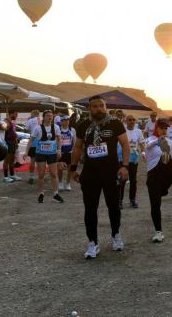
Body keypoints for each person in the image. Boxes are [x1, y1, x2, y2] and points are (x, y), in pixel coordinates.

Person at [69, 95, 130, 259]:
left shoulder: (115, 123)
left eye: (101, 106)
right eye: (95, 106)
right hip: (90, 173)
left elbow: (125, 144)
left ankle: (116, 235)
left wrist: (125, 166)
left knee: (114, 206)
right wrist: (73, 168)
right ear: (90, 108)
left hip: (111, 172)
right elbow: (77, 147)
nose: (99, 109)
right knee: (90, 209)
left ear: (106, 106)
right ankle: (92, 243)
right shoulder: (83, 125)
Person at [145, 119, 172, 243]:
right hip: (153, 176)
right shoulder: (150, 139)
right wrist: (158, 141)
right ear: (156, 128)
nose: (164, 130)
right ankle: (158, 232)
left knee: (169, 159)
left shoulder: (169, 141)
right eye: (161, 128)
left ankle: (164, 189)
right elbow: (147, 147)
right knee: (155, 205)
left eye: (166, 128)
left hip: (166, 176)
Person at [26, 110, 64, 204]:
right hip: (40, 154)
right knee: (41, 174)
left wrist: (59, 150)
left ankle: (55, 194)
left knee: (53, 174)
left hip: (52, 154)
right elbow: (31, 140)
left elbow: (59, 139)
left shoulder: (56, 127)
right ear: (44, 117)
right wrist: (26, 152)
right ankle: (41, 193)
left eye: (51, 116)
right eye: (48, 116)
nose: (50, 117)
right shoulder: (37, 128)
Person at [118, 115, 145, 209]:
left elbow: (141, 143)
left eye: (133, 120)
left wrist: (143, 152)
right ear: (126, 121)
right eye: (130, 120)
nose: (132, 121)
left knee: (133, 180)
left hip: (134, 159)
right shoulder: (122, 130)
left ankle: (132, 200)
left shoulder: (138, 131)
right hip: (122, 159)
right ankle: (119, 200)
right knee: (122, 180)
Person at [57, 115, 76, 192]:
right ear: (61, 122)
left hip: (69, 152)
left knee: (70, 169)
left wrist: (74, 151)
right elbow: (56, 141)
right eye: (64, 120)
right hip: (61, 152)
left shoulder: (72, 130)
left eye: (67, 120)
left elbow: (74, 141)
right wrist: (58, 150)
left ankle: (68, 183)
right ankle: (60, 182)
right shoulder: (58, 130)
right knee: (60, 169)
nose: (66, 122)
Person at [2, 110, 21, 183]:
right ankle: (5, 177)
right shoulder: (6, 121)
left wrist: (16, 142)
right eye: (15, 114)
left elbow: (13, 133)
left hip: (13, 143)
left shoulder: (12, 122)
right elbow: (4, 128)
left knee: (12, 160)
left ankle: (12, 175)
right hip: (7, 142)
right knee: (7, 160)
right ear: (10, 114)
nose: (16, 116)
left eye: (17, 114)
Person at [24, 110, 40, 184]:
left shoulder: (30, 120)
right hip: (41, 142)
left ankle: (31, 176)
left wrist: (28, 121)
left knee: (32, 160)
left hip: (33, 141)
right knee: (41, 160)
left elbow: (25, 129)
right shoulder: (42, 119)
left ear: (33, 114)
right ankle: (41, 176)